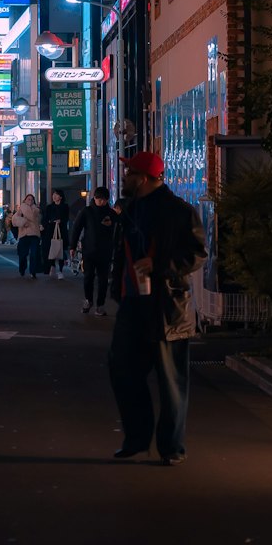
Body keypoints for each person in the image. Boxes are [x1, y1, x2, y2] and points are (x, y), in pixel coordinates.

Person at [107, 151, 206, 465]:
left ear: (145, 178)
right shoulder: (131, 209)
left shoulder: (179, 211)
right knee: (121, 368)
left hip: (167, 305)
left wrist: (160, 264)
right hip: (133, 303)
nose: (123, 178)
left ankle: (171, 446)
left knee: (171, 381)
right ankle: (137, 438)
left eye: (129, 173)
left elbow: (197, 254)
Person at [70, 186, 120, 316]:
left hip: (105, 251)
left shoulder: (111, 214)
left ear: (107, 200)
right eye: (98, 199)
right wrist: (72, 246)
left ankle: (100, 305)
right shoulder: (87, 212)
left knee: (103, 280)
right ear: (94, 198)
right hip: (89, 251)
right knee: (88, 277)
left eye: (103, 200)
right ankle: (88, 300)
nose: (101, 202)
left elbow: (120, 229)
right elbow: (76, 228)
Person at [10, 194, 42, 278]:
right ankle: (22, 269)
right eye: (28, 199)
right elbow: (14, 219)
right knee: (23, 254)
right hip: (24, 234)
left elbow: (39, 220)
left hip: (34, 234)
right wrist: (23, 222)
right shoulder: (21, 209)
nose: (30, 201)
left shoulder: (36, 210)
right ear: (25, 200)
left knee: (34, 254)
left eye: (32, 199)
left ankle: (33, 272)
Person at [41, 189, 70, 279]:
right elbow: (45, 219)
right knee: (51, 248)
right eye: (53, 194)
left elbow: (66, 218)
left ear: (60, 197)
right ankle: (52, 265)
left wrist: (61, 220)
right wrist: (49, 222)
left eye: (56, 195)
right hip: (50, 230)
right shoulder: (49, 207)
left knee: (60, 249)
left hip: (61, 230)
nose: (54, 196)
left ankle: (60, 270)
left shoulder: (65, 207)